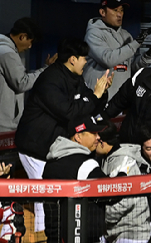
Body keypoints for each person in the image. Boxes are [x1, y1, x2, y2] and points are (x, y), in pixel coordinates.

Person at [15, 38, 111, 179]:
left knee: (57, 194)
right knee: (44, 195)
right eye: (84, 58)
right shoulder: (49, 80)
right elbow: (69, 112)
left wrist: (101, 93)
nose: (85, 62)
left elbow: (88, 106)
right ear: (73, 59)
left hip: (54, 146)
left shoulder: (75, 77)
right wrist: (95, 96)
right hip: (35, 147)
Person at [42, 115, 108, 243]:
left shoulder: (50, 163)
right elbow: (109, 194)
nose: (97, 137)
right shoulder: (85, 164)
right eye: (92, 133)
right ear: (77, 137)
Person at [95, 122, 150, 243]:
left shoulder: (121, 162)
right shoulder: (110, 158)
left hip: (132, 230)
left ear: (104, 143)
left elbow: (126, 202)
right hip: (122, 231)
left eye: (97, 142)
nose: (94, 145)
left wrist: (102, 218)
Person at [84, 0, 151, 99]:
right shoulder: (93, 34)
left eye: (121, 10)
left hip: (119, 102)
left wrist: (149, 55)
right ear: (102, 12)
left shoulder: (126, 35)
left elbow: (132, 67)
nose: (119, 14)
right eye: (115, 10)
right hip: (98, 100)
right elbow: (108, 60)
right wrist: (136, 43)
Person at [0, 17, 56, 132]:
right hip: (3, 124)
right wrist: (46, 69)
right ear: (23, 36)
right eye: (30, 41)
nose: (30, 46)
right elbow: (22, 83)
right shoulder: (7, 53)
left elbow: (19, 76)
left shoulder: (8, 50)